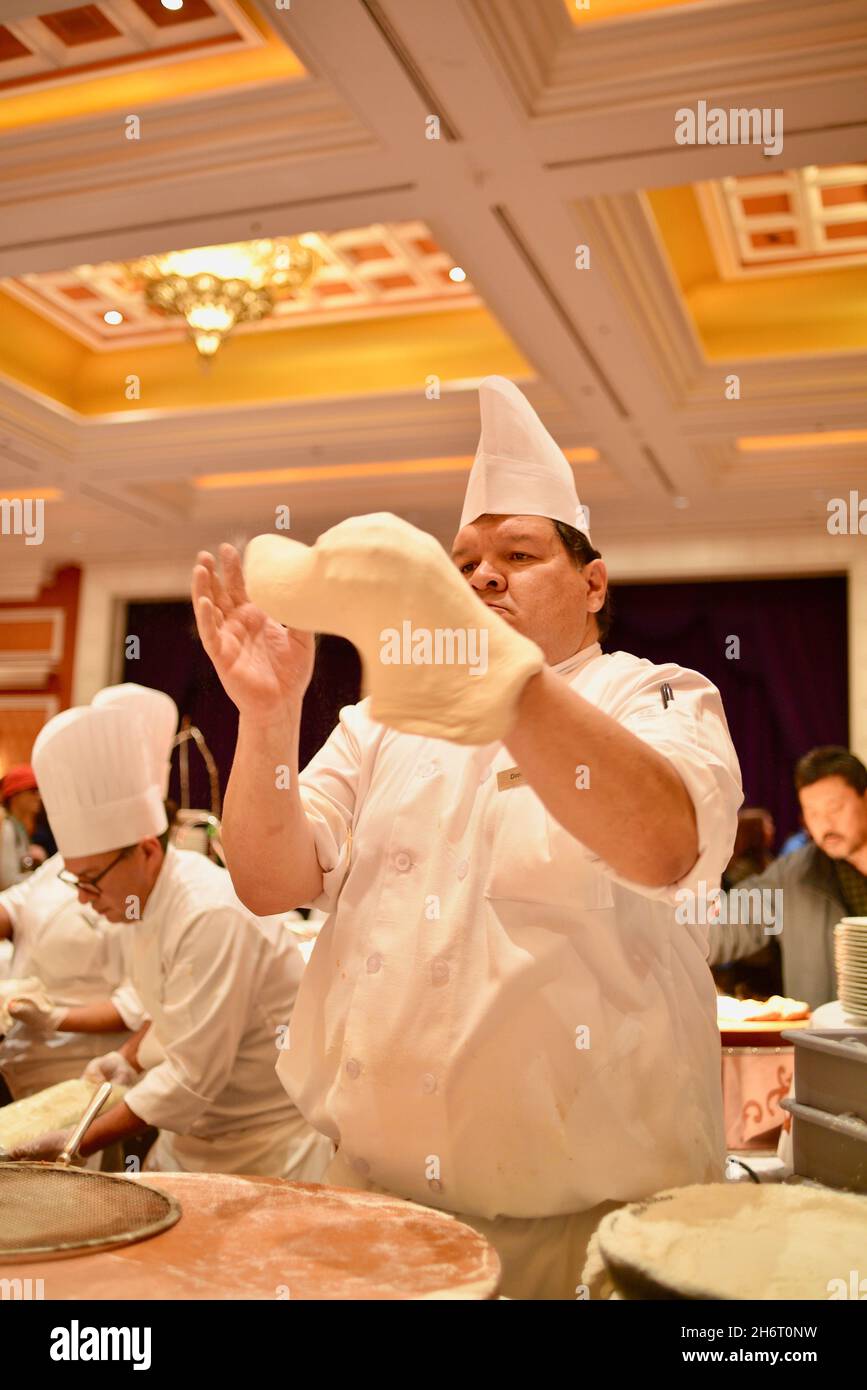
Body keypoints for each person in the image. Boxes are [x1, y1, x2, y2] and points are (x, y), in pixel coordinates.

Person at [192, 374, 743, 1299]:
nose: (482, 575)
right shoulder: (377, 725)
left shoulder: (650, 694)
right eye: (463, 564)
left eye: (518, 555)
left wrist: (502, 681)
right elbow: (266, 878)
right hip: (371, 1205)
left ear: (592, 581)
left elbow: (662, 843)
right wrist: (268, 713)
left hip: (583, 1233)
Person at [10, 686, 332, 1182]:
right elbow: (159, 1008)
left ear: (146, 850)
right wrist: (124, 1057)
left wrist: (71, 1144)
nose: (82, 897)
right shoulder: (144, 901)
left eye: (91, 881)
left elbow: (191, 1078)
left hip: (263, 1146)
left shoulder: (208, 913)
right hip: (191, 1140)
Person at [709, 747, 867, 1008]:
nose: (824, 825)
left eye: (835, 808)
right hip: (829, 1041)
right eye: (812, 813)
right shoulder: (795, 875)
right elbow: (724, 923)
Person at [0, 853, 144, 1101]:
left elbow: (136, 1003)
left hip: (71, 1065)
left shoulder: (137, 898)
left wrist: (53, 1018)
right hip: (12, 1050)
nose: (82, 896)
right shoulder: (65, 856)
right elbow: (15, 905)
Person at [0, 765, 42, 889]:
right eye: (33, 791)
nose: (38, 797)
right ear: (15, 795)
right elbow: (7, 881)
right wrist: (44, 875)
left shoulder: (18, 827)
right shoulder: (7, 827)